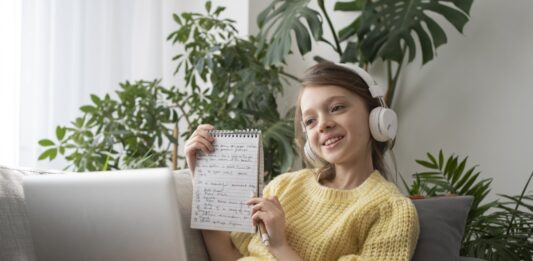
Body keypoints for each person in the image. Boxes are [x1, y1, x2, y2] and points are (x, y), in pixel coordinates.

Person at [184, 62, 419, 261]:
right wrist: (205, 179)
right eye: (310, 121)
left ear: (376, 116)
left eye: (337, 108)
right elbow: (228, 255)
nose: (323, 124)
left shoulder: (391, 211)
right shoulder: (284, 187)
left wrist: (279, 246)